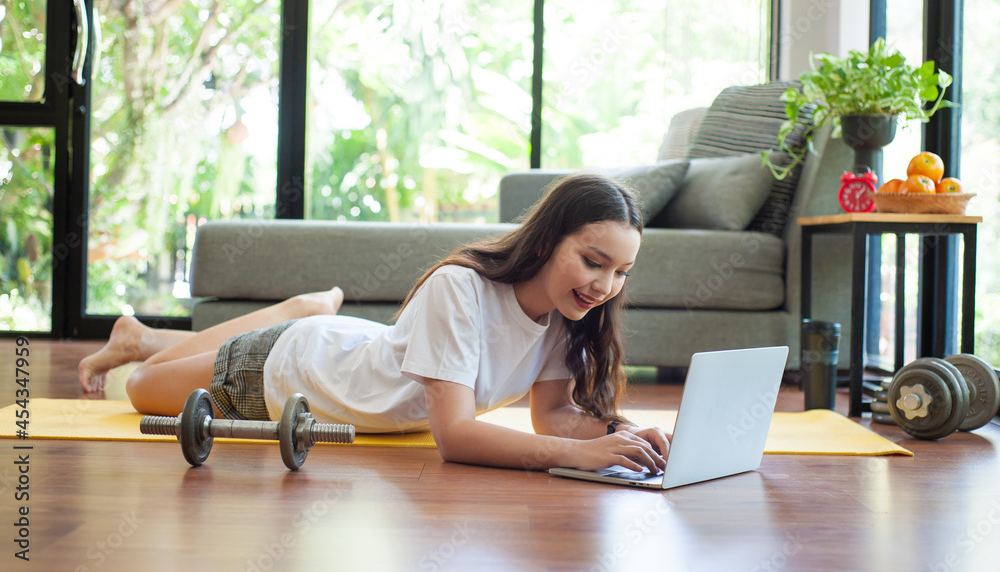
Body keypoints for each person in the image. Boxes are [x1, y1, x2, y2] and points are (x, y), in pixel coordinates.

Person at [79, 173, 669, 474]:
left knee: (153, 378)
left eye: (621, 271)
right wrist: (575, 457)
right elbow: (456, 438)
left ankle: (170, 333)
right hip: (290, 369)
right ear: (547, 239)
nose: (605, 287)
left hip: (355, 353)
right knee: (139, 389)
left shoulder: (571, 316)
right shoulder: (460, 289)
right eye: (593, 261)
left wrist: (620, 435)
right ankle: (272, 318)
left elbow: (555, 416)